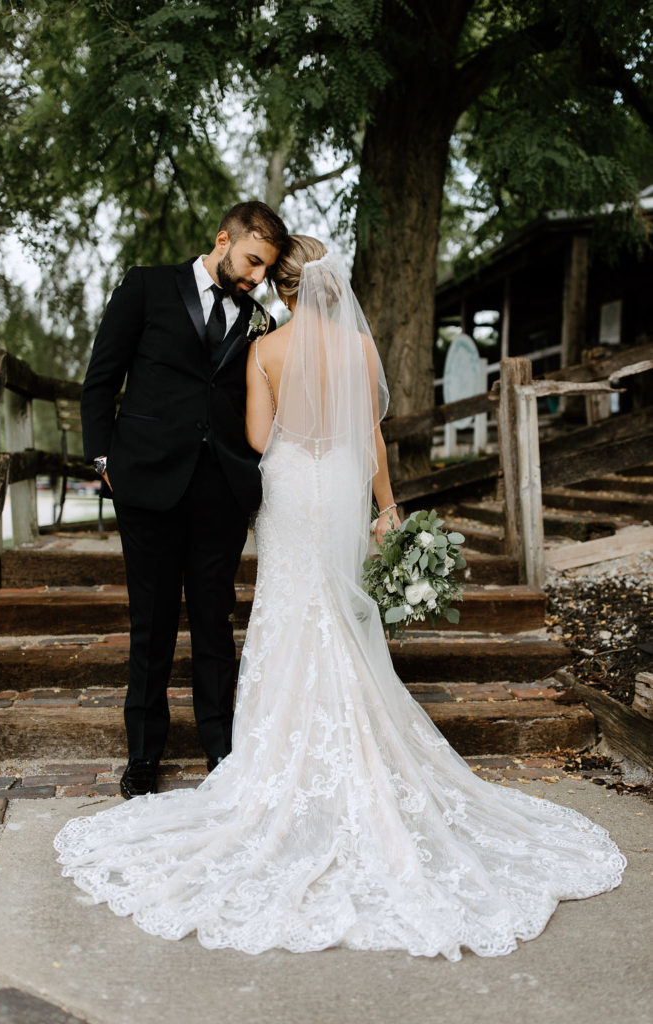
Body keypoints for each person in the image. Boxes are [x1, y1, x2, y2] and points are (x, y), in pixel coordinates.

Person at [55, 237, 625, 959]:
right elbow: (372, 438)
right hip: (342, 494)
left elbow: (259, 437)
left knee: (291, 608)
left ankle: (273, 757)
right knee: (341, 610)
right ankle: (360, 743)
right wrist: (387, 510)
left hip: (290, 489)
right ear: (332, 286)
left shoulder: (268, 348)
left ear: (284, 289)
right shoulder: (358, 349)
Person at [80, 201, 288, 799]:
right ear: (223, 239)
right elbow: (102, 378)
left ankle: (220, 750)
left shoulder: (259, 322)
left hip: (220, 489)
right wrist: (103, 460)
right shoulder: (147, 286)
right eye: (251, 262)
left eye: (265, 272)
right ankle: (144, 754)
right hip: (146, 482)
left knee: (213, 622)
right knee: (151, 623)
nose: (255, 279)